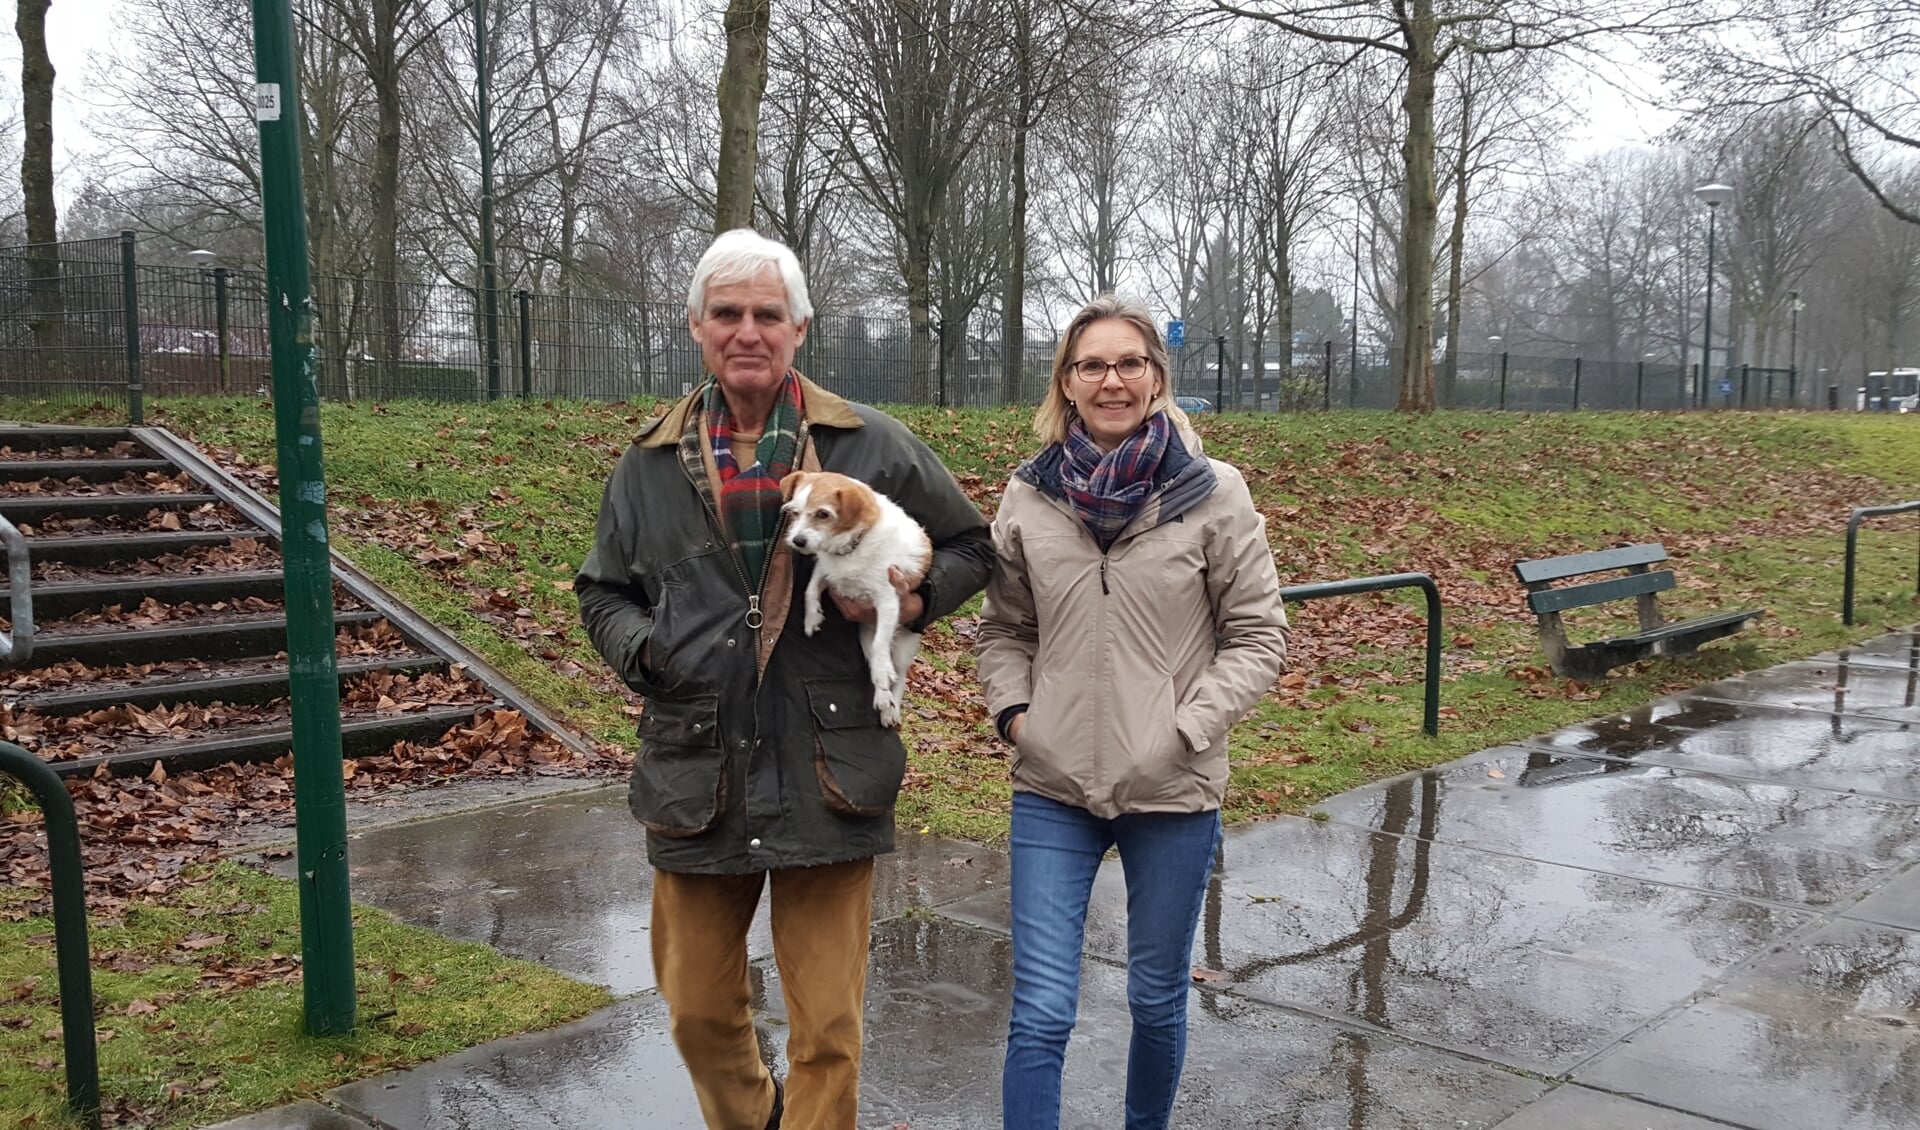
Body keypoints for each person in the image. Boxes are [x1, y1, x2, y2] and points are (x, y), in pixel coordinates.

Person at [576, 229, 994, 1130]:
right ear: (697, 326)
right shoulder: (650, 464)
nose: (748, 331)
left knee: (829, 1030)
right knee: (693, 1009)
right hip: (697, 766)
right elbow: (603, 590)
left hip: (828, 761)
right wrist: (648, 652)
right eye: (727, 313)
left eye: (769, 313)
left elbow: (972, 546)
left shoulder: (871, 445)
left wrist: (913, 605)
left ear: (800, 328)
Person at [974, 294, 1288, 1130]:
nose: (1111, 380)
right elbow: (1003, 631)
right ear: (1066, 384)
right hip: (1051, 785)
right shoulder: (1029, 496)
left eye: (1129, 363)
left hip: (1173, 789)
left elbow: (1258, 636)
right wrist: (1017, 718)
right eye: (1091, 365)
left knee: (1156, 1001)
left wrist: (1185, 731)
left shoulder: (1213, 492)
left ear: (1155, 377)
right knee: (1040, 1011)